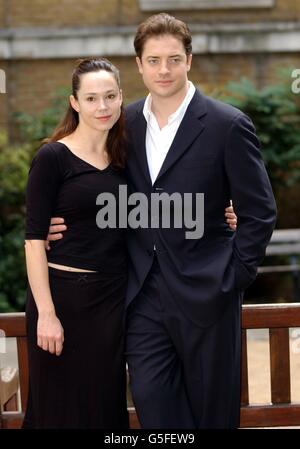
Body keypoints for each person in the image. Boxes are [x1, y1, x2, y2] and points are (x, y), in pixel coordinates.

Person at [46, 13, 273, 429]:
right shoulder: (122, 124)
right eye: (153, 61)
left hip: (209, 295)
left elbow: (259, 211)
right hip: (142, 296)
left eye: (172, 59)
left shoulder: (227, 125)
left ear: (189, 60)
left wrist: (233, 273)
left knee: (211, 414)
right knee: (154, 407)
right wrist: (51, 225)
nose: (163, 70)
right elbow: (88, 186)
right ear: (139, 65)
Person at [23, 58, 129, 428]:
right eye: (91, 98)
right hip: (62, 301)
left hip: (112, 303)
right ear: (75, 103)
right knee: (57, 411)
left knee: (103, 408)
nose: (102, 107)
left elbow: (158, 213)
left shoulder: (125, 161)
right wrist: (47, 314)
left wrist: (221, 214)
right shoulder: (53, 157)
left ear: (121, 99)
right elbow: (34, 241)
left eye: (110, 97)